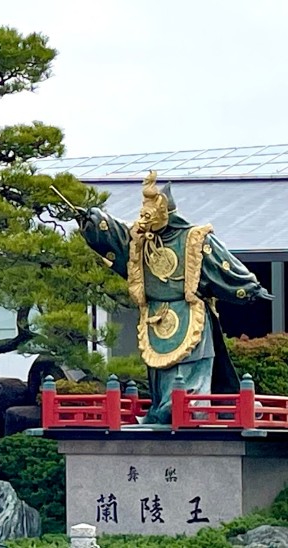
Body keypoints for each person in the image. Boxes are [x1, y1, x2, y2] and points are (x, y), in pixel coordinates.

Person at [76, 171, 272, 424]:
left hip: (189, 313)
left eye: (150, 215)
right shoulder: (141, 239)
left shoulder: (194, 238)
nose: (144, 220)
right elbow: (117, 232)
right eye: (143, 214)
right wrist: (92, 220)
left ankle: (193, 409)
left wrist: (249, 286)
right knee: (159, 370)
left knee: (190, 366)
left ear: (166, 213)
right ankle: (161, 408)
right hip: (156, 314)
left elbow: (222, 265)